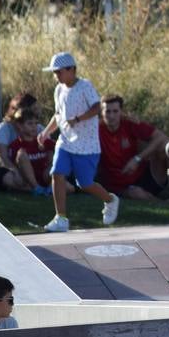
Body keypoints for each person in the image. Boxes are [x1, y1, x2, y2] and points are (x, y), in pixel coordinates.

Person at [37, 52, 118, 232]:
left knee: (85, 184)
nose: (56, 76)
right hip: (65, 142)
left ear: (72, 70)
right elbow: (58, 115)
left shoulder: (85, 86)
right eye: (54, 72)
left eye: (59, 72)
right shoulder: (58, 90)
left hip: (87, 145)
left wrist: (79, 118)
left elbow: (97, 107)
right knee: (57, 173)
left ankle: (110, 200)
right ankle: (61, 218)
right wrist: (45, 132)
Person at [97, 95, 169, 202]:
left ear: (121, 111)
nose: (111, 116)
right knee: (135, 193)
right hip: (118, 184)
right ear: (101, 112)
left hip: (142, 175)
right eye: (107, 111)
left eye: (115, 111)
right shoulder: (95, 129)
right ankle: (164, 203)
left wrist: (137, 159)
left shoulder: (130, 122)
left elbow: (161, 137)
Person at [0, 93, 37, 189]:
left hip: (32, 167)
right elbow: (2, 158)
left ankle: (33, 186)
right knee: (11, 178)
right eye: (34, 109)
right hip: (8, 169)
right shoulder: (2, 129)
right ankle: (31, 188)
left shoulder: (37, 127)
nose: (37, 112)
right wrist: (16, 172)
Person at [7, 107, 55, 196]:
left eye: (36, 123)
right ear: (20, 126)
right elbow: (14, 166)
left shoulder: (43, 141)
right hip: (27, 180)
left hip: (45, 177)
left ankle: (49, 189)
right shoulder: (15, 145)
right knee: (21, 154)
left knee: (69, 188)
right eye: (30, 123)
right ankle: (36, 188)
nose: (34, 127)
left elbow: (54, 159)